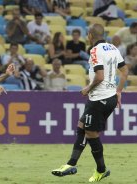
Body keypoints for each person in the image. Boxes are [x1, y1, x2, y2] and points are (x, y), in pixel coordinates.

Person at [51, 24, 128, 182]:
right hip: (110, 97)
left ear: (90, 36)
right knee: (82, 125)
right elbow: (125, 71)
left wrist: (87, 88)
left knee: (91, 134)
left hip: (100, 98)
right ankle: (71, 164)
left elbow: (99, 76)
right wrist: (118, 91)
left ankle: (101, 170)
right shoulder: (113, 48)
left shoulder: (94, 50)